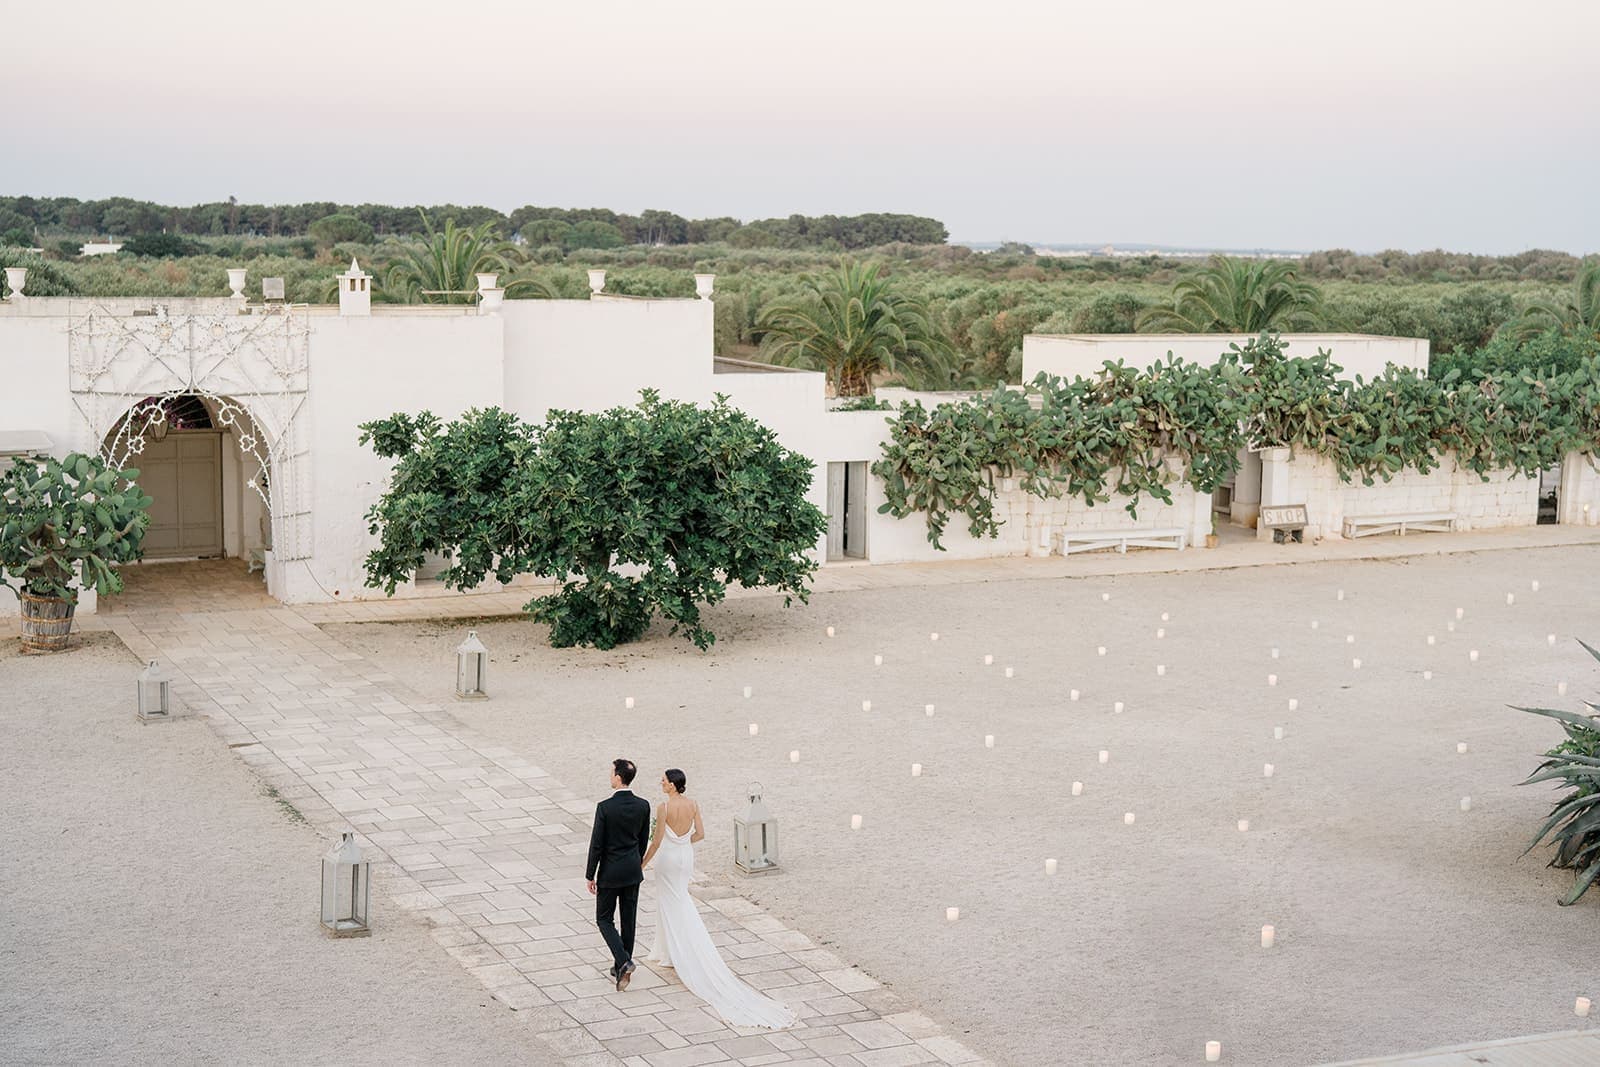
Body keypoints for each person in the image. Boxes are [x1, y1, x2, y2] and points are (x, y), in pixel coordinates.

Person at [640, 768, 796, 1028]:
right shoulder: (693, 805)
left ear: (673, 785)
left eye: (664, 781)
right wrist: (682, 842)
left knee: (668, 903)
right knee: (680, 899)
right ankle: (668, 950)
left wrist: (642, 864)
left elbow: (655, 842)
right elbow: (700, 834)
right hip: (685, 857)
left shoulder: (663, 808)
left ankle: (671, 953)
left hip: (667, 859)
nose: (661, 783)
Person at [586, 758, 651, 991]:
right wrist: (636, 861)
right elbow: (643, 841)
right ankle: (620, 967)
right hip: (633, 869)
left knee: (604, 918)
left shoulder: (605, 807)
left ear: (618, 777)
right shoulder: (643, 805)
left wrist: (590, 874)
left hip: (611, 871)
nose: (609, 776)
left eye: (611, 772)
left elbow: (597, 844)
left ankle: (623, 961)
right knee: (628, 919)